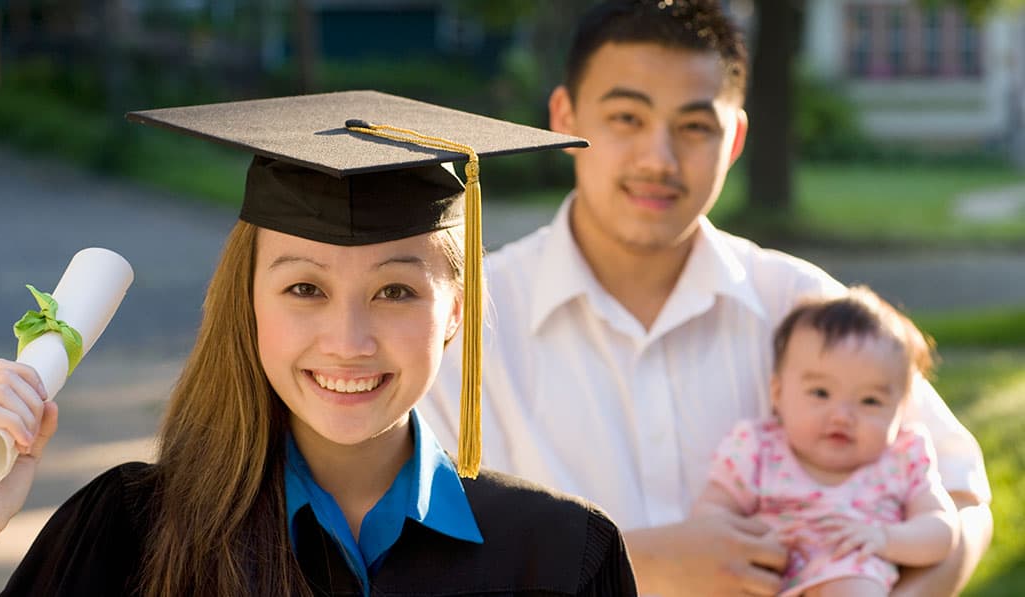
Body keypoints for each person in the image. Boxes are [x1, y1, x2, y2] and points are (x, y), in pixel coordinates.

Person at [0, 91, 637, 596]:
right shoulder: (128, 533)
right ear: (248, 301)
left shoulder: (556, 556)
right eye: (304, 289)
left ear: (454, 310)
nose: (348, 341)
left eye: (395, 291)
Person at [423, 1, 992, 595]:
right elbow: (417, 559)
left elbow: (965, 495)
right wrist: (633, 563)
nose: (659, 160)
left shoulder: (804, 308)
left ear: (736, 136)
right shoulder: (463, 324)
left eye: (695, 126)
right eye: (625, 118)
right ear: (564, 118)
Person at [692, 286, 958, 596]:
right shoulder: (757, 448)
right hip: (767, 572)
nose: (842, 416)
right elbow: (709, 513)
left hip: (850, 566)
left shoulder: (902, 457)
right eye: (821, 393)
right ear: (777, 394)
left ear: (900, 409)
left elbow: (941, 528)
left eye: (870, 401)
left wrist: (884, 538)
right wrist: (752, 539)